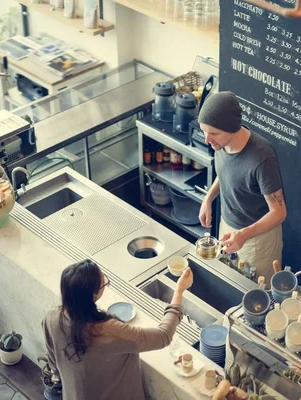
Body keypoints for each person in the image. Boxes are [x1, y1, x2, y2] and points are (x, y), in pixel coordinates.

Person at [42, 260, 193, 400]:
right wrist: (179, 291)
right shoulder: (109, 331)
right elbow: (163, 336)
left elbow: (55, 366)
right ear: (93, 295)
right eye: (103, 283)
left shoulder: (51, 318)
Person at [198, 91, 287, 282]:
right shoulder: (220, 145)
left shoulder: (262, 157)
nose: (207, 139)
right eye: (204, 130)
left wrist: (243, 235)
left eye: (213, 133)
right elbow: (227, 173)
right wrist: (208, 198)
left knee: (256, 294)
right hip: (228, 229)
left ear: (231, 129)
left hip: (257, 241)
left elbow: (279, 212)